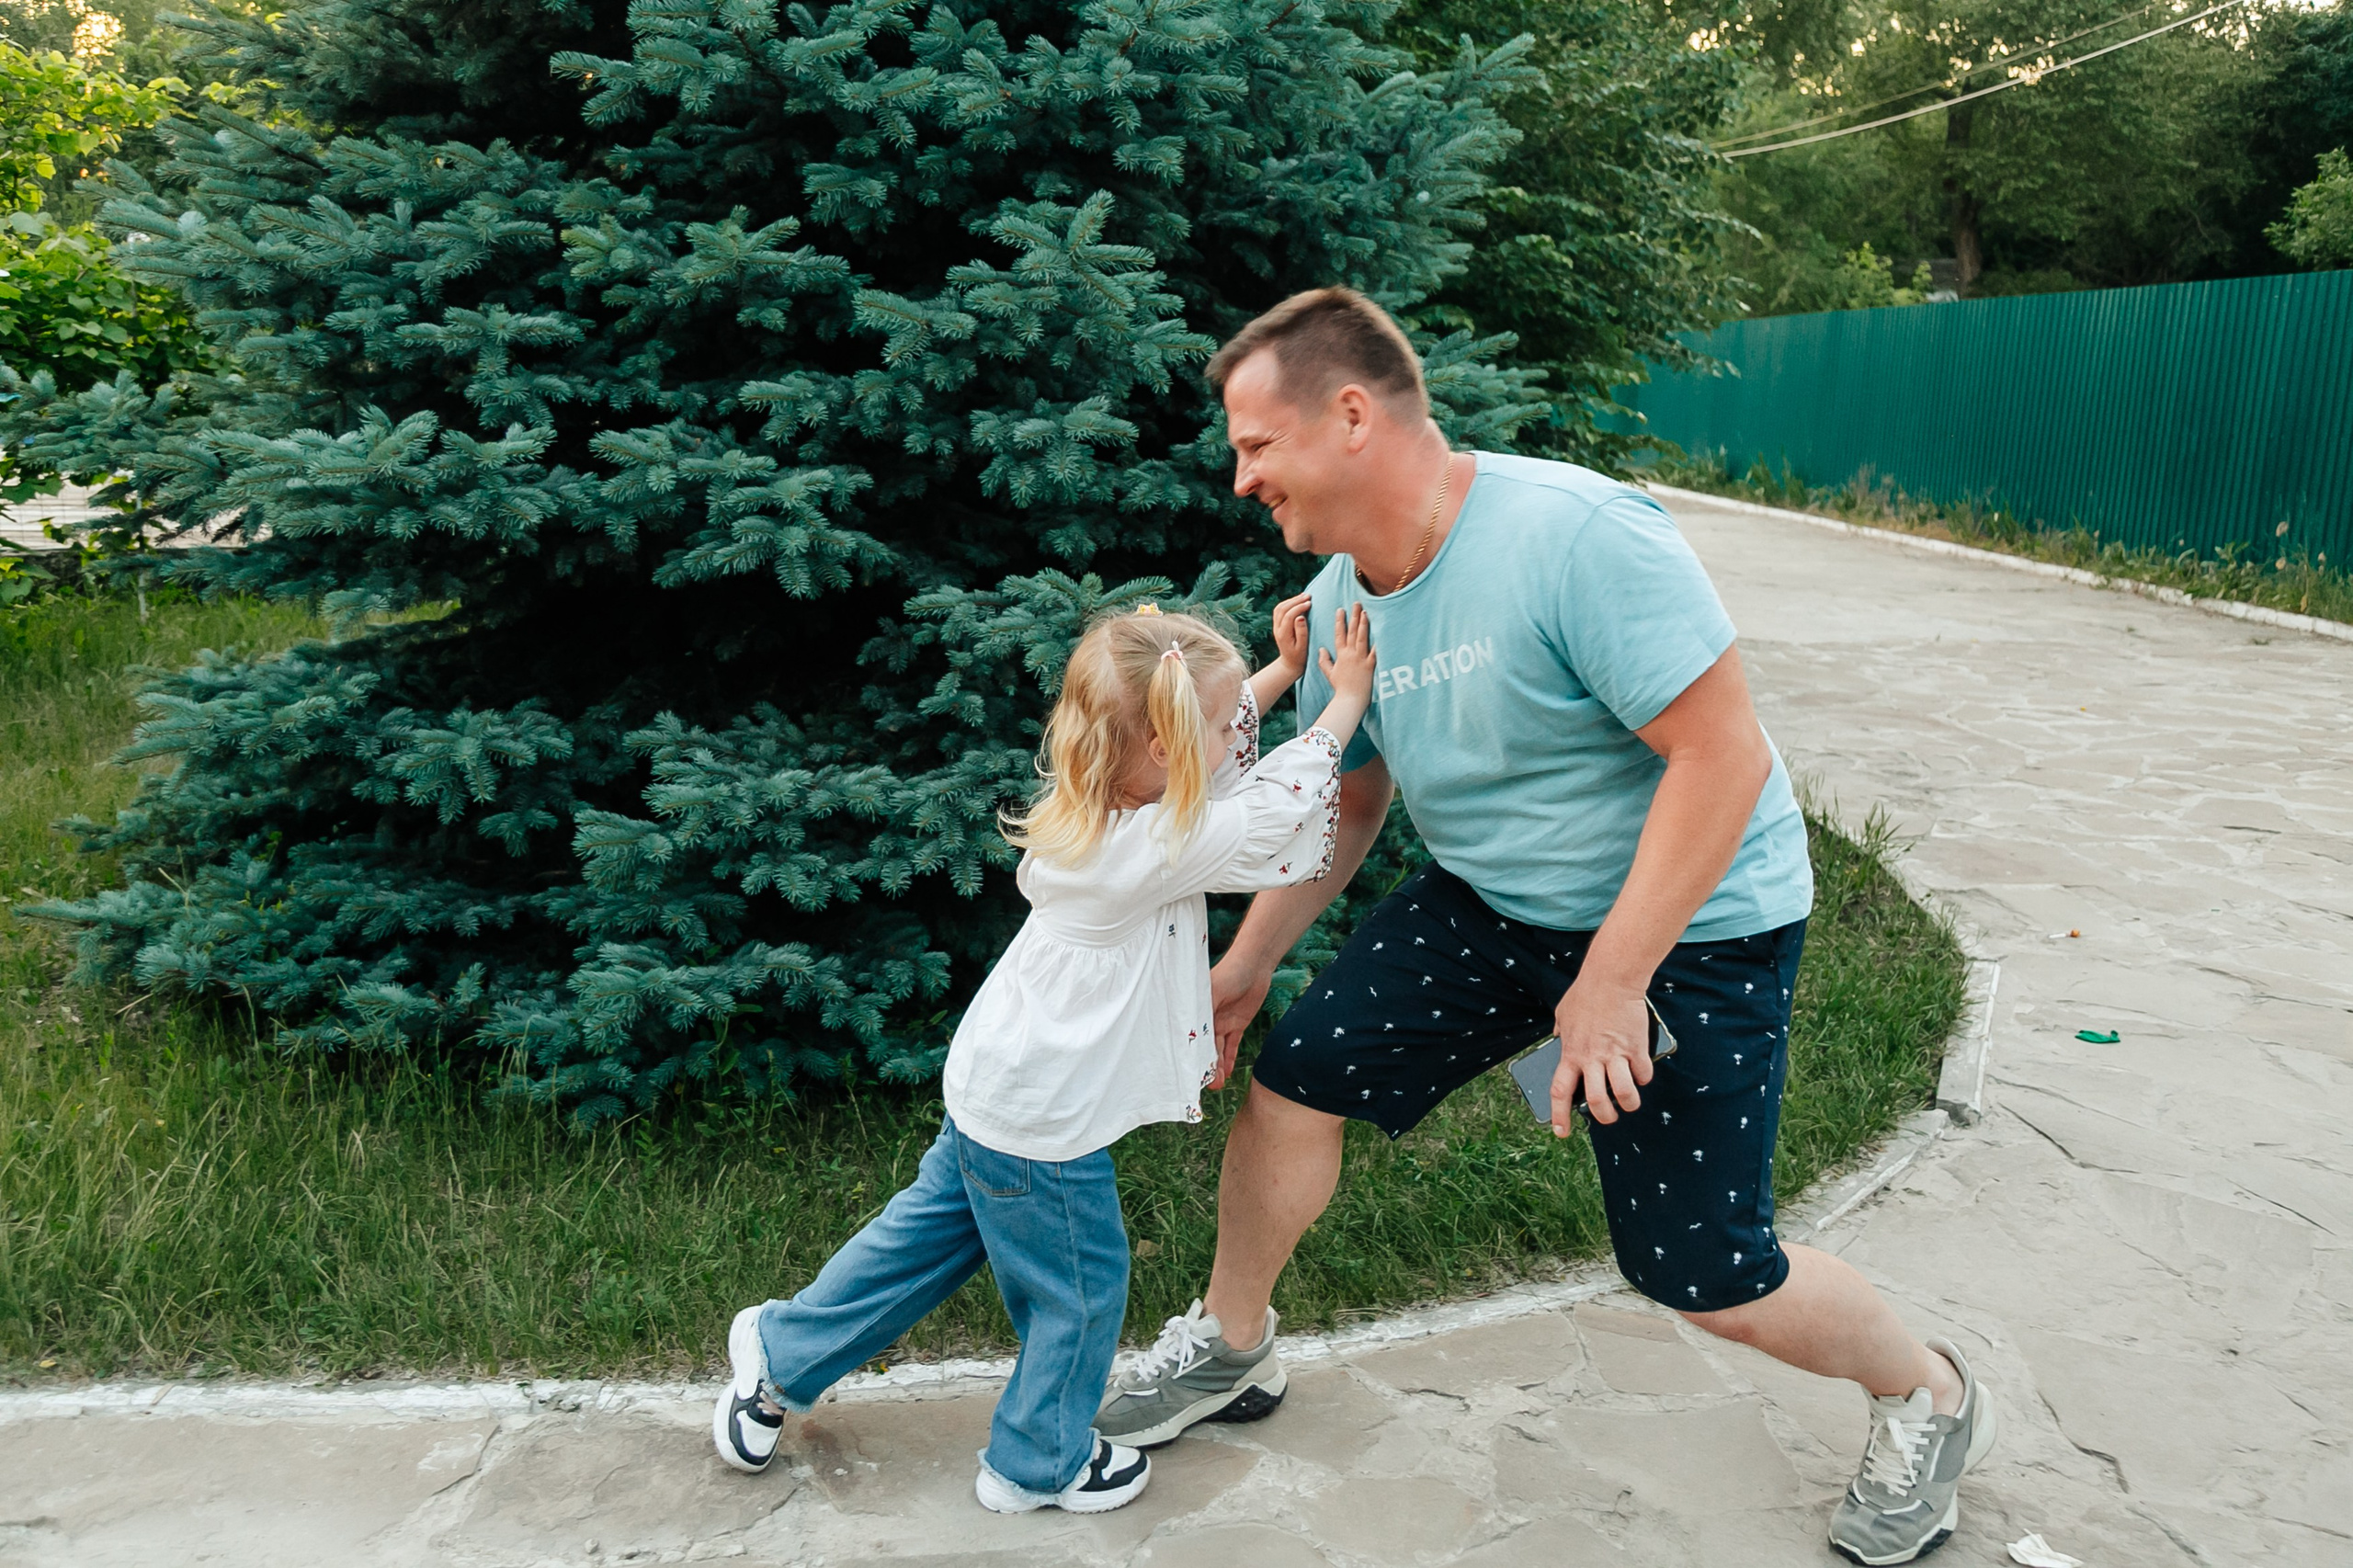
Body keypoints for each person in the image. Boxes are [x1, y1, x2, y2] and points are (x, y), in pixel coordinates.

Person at [1094, 288, 1996, 1567]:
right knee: (1296, 1081)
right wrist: (1247, 965)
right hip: (1495, 903)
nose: (1242, 478)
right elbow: (1349, 801)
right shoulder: (1354, 588)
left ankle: (1930, 1393)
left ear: (1350, 415)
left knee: (1704, 1270)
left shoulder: (1573, 534)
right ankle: (1233, 1344)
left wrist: (1616, 977)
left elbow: (1722, 756)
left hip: (1694, 926)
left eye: (1256, 443)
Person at [711, 600, 1380, 1517]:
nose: (1236, 735)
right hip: (1042, 1120)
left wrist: (1269, 673)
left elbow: (1202, 760)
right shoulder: (1156, 841)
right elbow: (1274, 808)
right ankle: (1037, 1459)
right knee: (1079, 1287)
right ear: (1164, 743)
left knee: (922, 1246)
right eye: (1223, 723)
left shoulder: (1098, 793)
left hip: (1002, 1083)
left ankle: (780, 1353)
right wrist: (1341, 702)